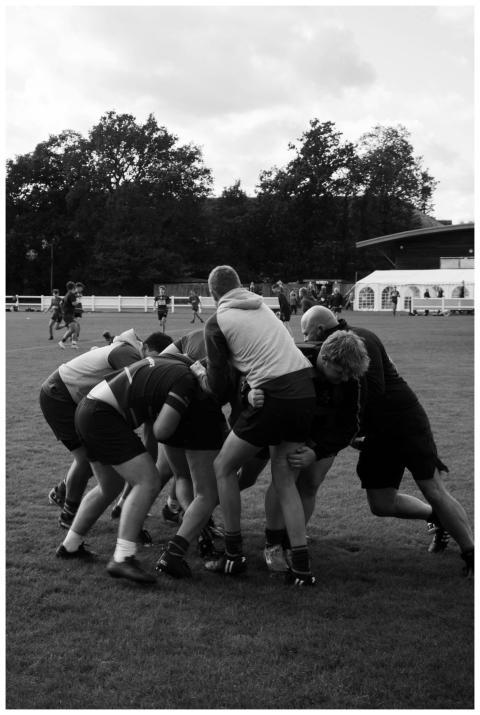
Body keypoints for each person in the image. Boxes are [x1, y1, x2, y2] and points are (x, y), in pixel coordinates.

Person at [299, 305, 474, 577]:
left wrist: (347, 431)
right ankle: (437, 518)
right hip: (377, 431)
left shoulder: (359, 340)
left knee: (433, 488)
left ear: (320, 329)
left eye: (307, 332)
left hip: (404, 421)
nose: (307, 339)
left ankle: (472, 555)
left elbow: (373, 394)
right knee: (381, 503)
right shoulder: (340, 345)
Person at [190, 265, 317, 586]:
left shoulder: (217, 322)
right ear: (240, 286)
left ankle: (233, 555)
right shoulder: (264, 307)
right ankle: (301, 567)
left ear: (212, 293)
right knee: (285, 479)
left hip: (273, 395)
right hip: (305, 389)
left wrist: (199, 374)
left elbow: (218, 389)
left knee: (222, 467)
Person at [56, 351, 225, 584]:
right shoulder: (186, 380)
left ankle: (70, 545)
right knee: (148, 481)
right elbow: (161, 431)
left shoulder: (175, 364)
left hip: (88, 409)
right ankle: (122, 558)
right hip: (102, 414)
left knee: (109, 486)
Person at [250, 331, 370, 572]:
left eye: (350, 374)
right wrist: (250, 391)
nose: (345, 377)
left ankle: (292, 542)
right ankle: (273, 543)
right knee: (284, 477)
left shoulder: (351, 377)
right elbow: (254, 372)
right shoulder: (293, 357)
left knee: (311, 482)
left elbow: (349, 425)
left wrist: (316, 451)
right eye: (340, 372)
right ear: (324, 359)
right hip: (287, 423)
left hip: (323, 432)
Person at [42, 330, 171, 529]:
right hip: (60, 396)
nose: (154, 366)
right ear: (144, 348)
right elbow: (132, 391)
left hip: (73, 397)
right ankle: (69, 514)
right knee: (87, 457)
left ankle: (62, 492)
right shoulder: (128, 354)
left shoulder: (132, 354)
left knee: (98, 456)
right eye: (154, 359)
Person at [58, 281, 80, 349]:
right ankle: (62, 342)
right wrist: (78, 301)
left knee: (75, 328)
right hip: (68, 315)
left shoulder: (67, 294)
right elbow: (74, 303)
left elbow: (61, 303)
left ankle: (73, 344)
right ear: (73, 287)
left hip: (67, 314)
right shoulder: (71, 295)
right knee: (73, 328)